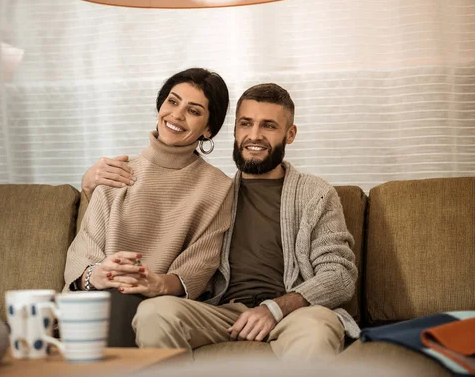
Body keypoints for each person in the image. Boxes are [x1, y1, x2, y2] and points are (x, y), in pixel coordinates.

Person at [82, 83, 359, 359]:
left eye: (269, 126)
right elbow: (156, 207)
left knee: (316, 330)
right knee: (154, 313)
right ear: (235, 130)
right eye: (245, 124)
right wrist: (89, 186)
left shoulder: (316, 194)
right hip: (221, 312)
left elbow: (339, 275)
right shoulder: (213, 191)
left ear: (290, 134)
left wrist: (274, 309)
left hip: (293, 314)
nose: (254, 135)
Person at [63, 68, 234, 347]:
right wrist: (99, 273)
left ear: (209, 128)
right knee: (115, 297)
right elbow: (83, 253)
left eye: (193, 110)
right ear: (160, 105)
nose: (177, 115)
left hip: (158, 305)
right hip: (101, 295)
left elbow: (199, 266)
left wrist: (152, 283)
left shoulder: (217, 187)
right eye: (172, 101)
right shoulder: (116, 172)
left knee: (131, 303)